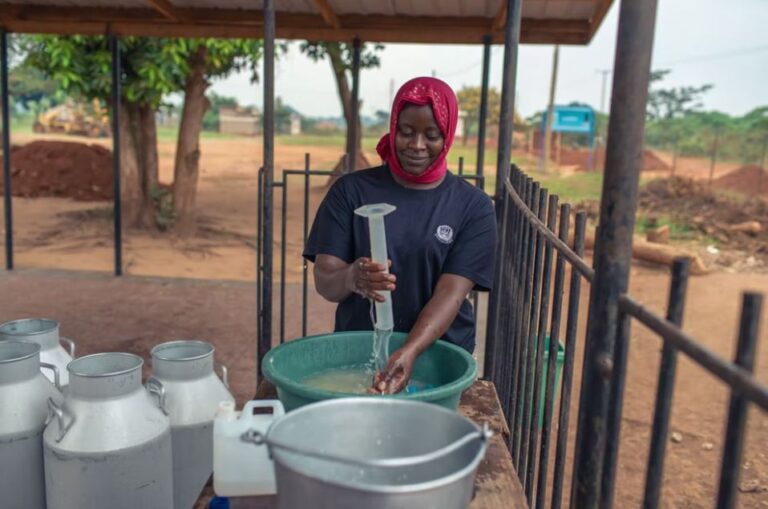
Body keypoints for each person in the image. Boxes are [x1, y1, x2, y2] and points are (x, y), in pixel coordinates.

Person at [303, 77, 497, 394]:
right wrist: (353, 277)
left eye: (431, 135)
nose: (416, 145)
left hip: (439, 359)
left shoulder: (472, 207)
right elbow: (325, 279)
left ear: (447, 137)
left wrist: (410, 351)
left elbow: (451, 292)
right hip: (360, 359)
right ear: (393, 127)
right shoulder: (351, 192)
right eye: (406, 132)